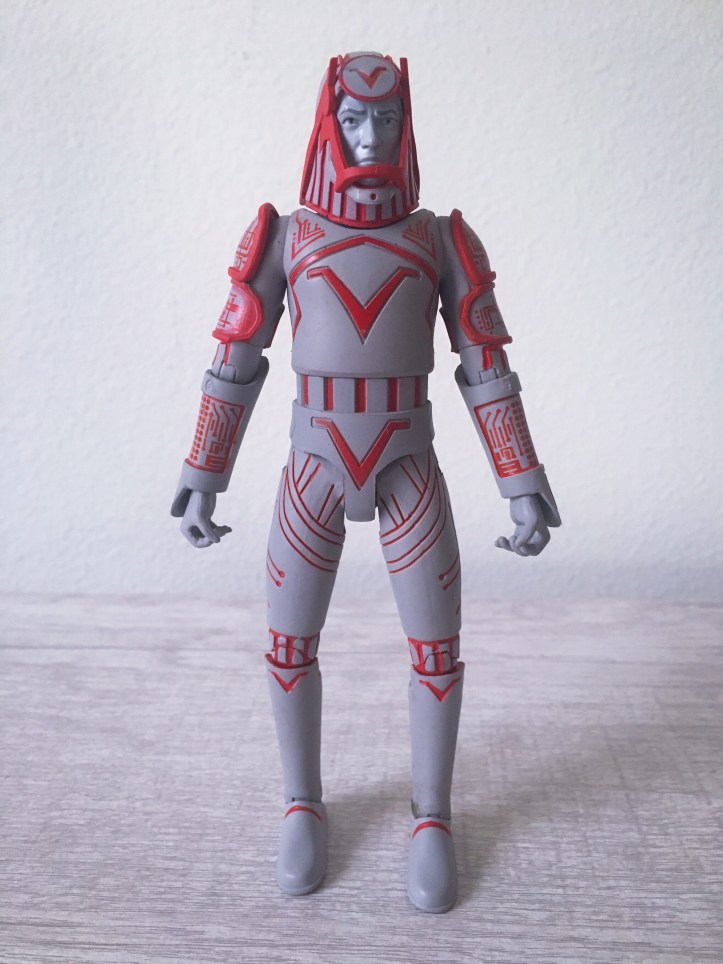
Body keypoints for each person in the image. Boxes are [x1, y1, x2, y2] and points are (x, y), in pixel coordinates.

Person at [172, 51, 560, 914]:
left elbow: (485, 362)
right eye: (354, 119)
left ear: (405, 123)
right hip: (312, 460)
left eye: (386, 119)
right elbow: (236, 355)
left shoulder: (439, 239)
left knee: (435, 649)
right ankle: (300, 803)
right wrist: (204, 473)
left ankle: (432, 815)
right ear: (329, 124)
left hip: (407, 461)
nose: (371, 135)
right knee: (288, 644)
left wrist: (520, 480)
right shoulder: (286, 236)